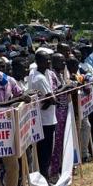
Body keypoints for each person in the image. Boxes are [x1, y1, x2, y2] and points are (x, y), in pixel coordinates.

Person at [29, 48, 57, 176]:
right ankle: (45, 178)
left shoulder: (33, 74)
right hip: (46, 120)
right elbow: (52, 99)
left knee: (42, 152)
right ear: (39, 62)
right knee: (46, 152)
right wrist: (50, 100)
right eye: (46, 60)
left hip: (42, 118)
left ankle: (44, 176)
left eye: (49, 59)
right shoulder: (40, 78)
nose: (49, 62)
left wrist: (48, 101)